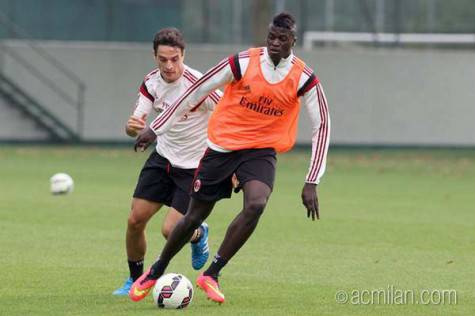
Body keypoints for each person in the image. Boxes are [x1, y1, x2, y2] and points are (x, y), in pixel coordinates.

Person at [129, 12, 330, 303]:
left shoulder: (304, 77)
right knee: (194, 217)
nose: (274, 43)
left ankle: (212, 273)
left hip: (260, 150)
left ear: (293, 42)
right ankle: (156, 269)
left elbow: (322, 125)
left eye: (282, 39)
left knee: (257, 203)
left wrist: (312, 180)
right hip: (222, 146)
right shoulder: (243, 61)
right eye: (271, 37)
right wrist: (156, 128)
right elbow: (197, 90)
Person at [112, 27, 221, 296]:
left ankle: (198, 233)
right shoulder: (151, 82)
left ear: (184, 55)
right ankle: (134, 280)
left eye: (175, 59)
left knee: (170, 229)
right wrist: (131, 127)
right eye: (163, 60)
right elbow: (136, 125)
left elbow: (227, 118)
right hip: (162, 160)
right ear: (155, 57)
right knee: (135, 220)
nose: (169, 66)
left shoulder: (200, 85)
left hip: (194, 167)